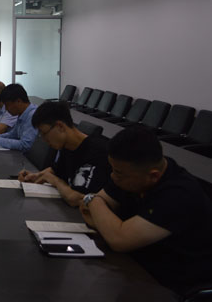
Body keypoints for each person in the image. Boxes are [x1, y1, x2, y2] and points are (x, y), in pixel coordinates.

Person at [79, 126, 212, 294]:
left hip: (173, 286)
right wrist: (103, 214)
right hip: (134, 266)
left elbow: (119, 240)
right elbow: (89, 214)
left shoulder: (180, 194)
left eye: (118, 173)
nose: (112, 176)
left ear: (153, 176)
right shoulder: (131, 174)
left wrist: (93, 199)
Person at [18, 101, 110, 207]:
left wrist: (54, 180)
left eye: (44, 133)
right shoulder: (67, 146)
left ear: (60, 126)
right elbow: (55, 170)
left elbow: (77, 199)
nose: (44, 140)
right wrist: (36, 176)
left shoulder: (98, 152)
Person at [0, 83, 37, 152]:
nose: (6, 109)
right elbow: (13, 134)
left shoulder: (32, 116)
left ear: (18, 101)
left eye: (7, 105)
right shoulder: (22, 113)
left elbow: (25, 145)